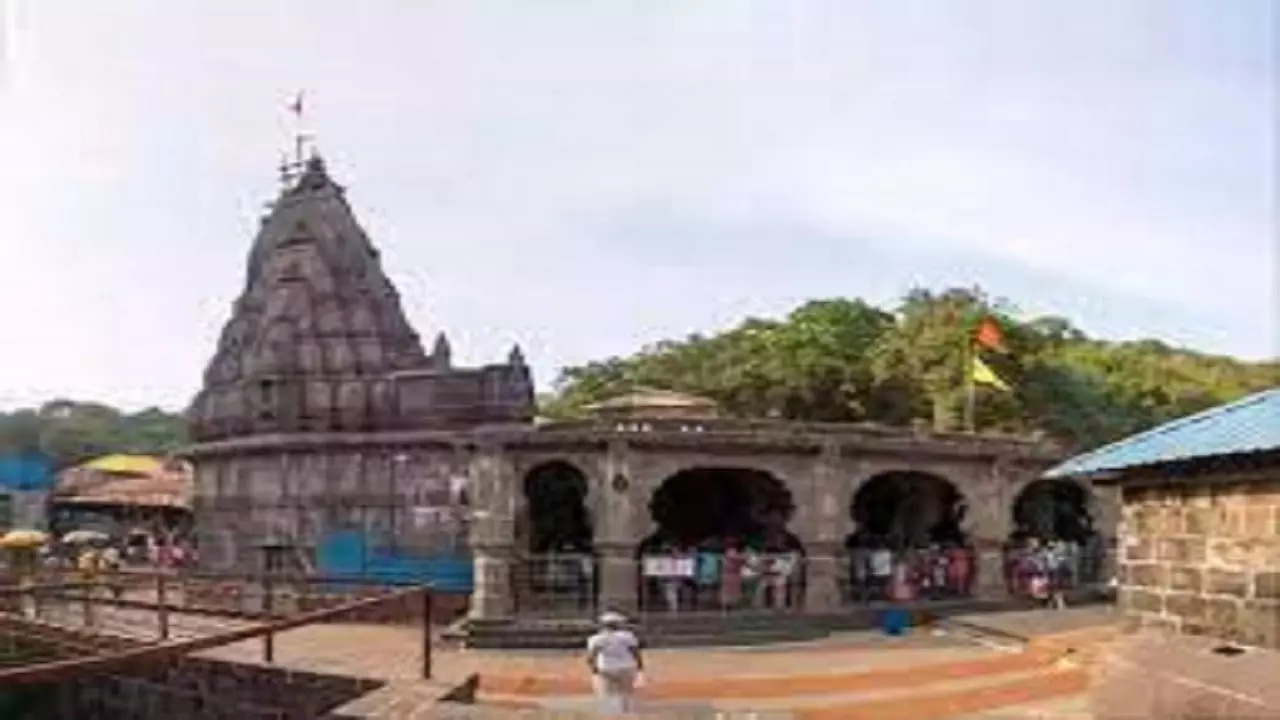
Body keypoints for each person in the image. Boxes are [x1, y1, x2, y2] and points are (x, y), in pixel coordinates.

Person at [586, 611, 644, 714]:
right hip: (626, 666)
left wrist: (593, 669)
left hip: (605, 667)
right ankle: (626, 712)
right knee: (626, 692)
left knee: (607, 693)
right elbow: (635, 652)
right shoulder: (628, 636)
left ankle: (610, 713)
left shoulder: (596, 638)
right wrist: (640, 666)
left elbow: (591, 656)